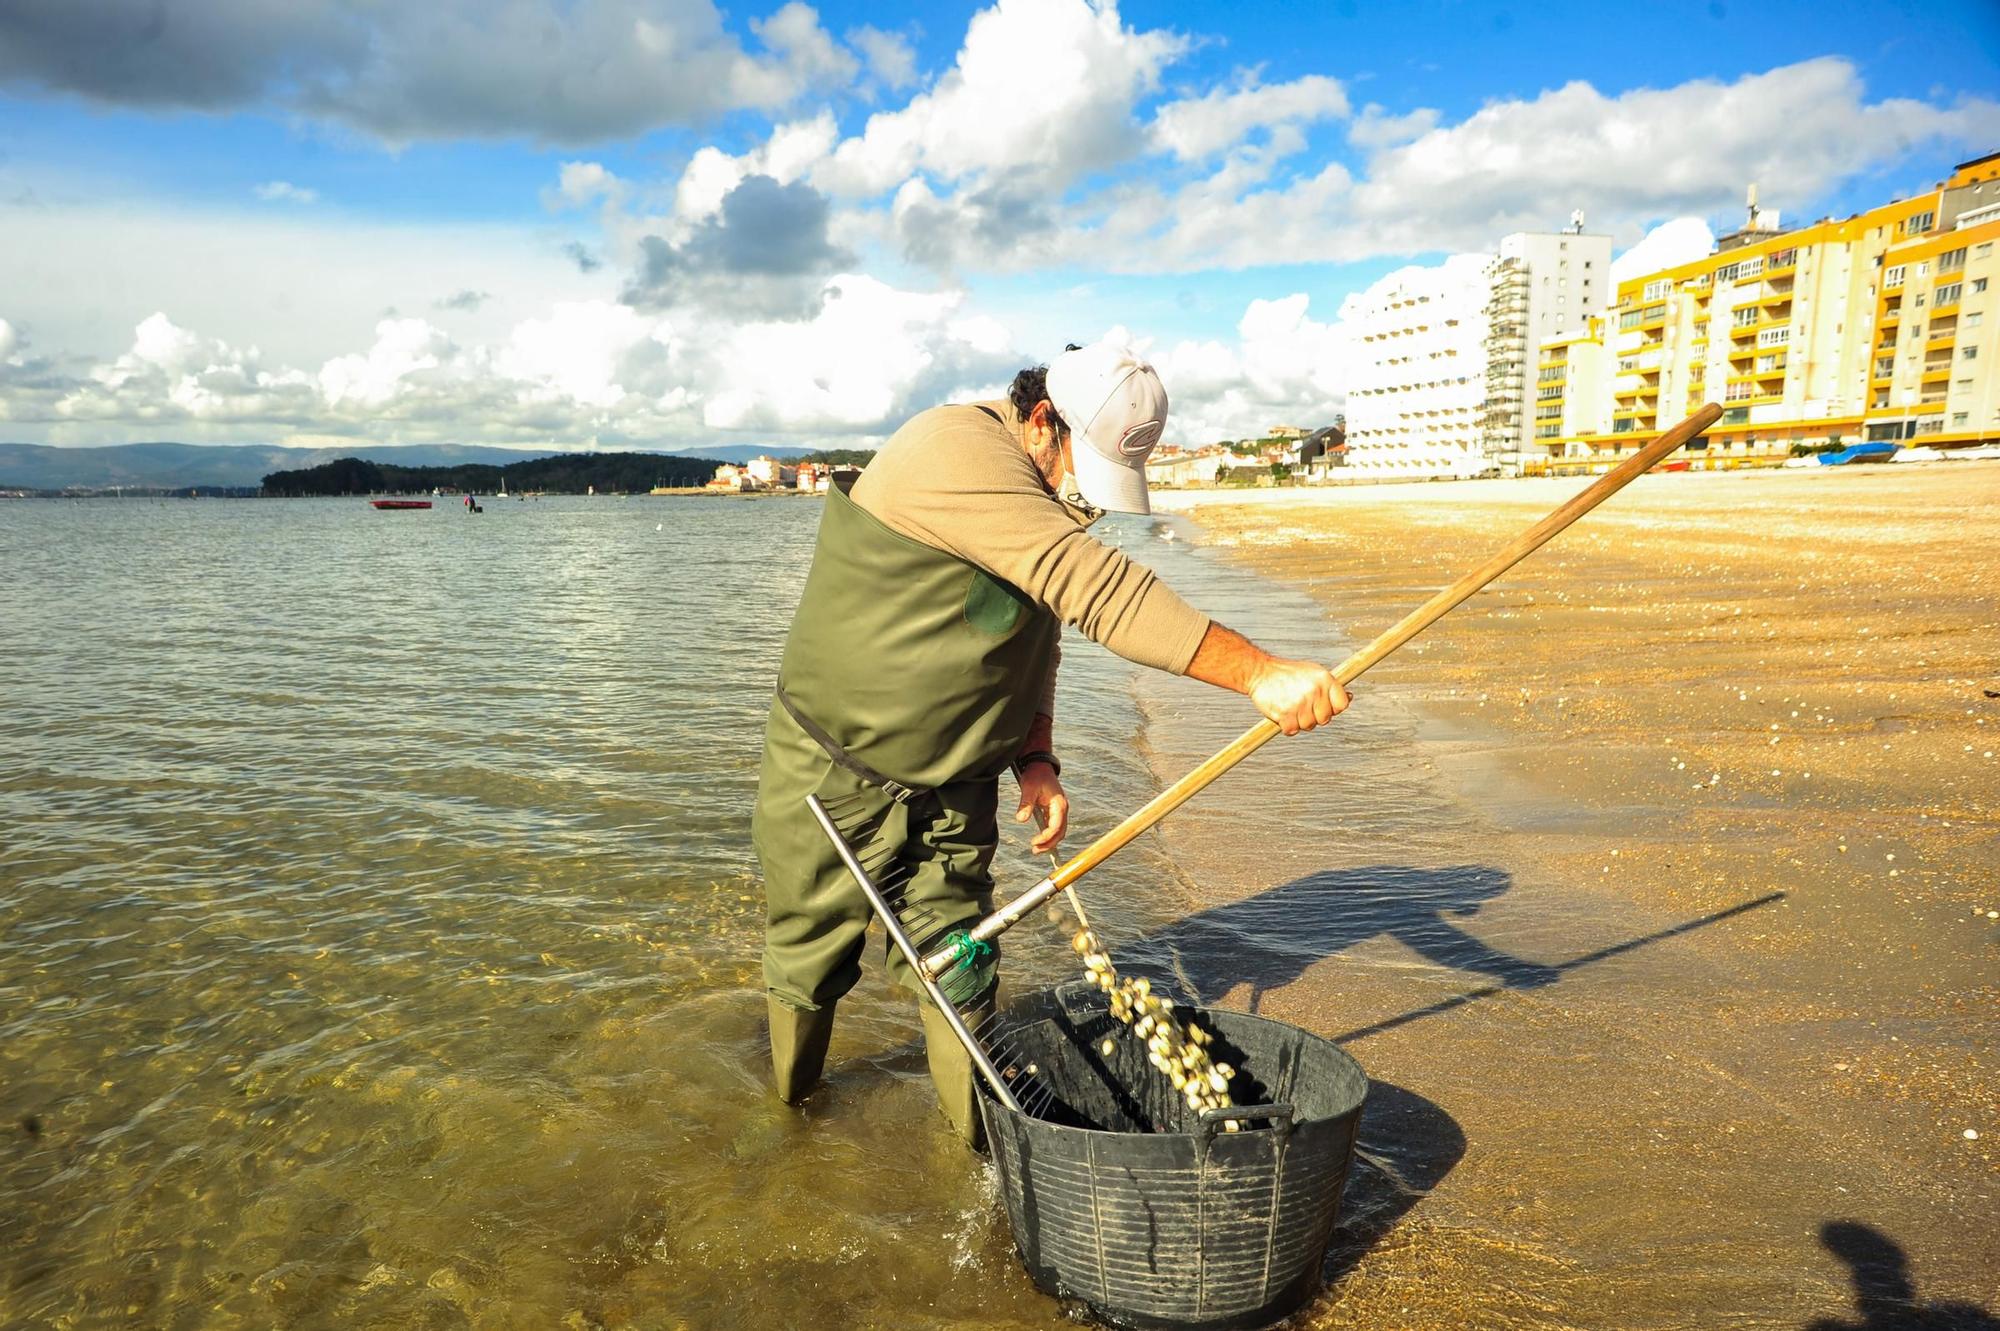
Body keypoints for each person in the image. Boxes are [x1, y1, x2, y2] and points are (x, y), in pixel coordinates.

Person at [752, 340, 1350, 1145]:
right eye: (1083, 468)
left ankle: (979, 1162)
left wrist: (1036, 755)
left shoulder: (1037, 490)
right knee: (809, 957)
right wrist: (1259, 673)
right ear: (1043, 420)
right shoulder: (952, 451)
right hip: (837, 768)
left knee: (962, 963)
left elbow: (1036, 632)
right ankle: (785, 1132)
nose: (1084, 497)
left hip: (957, 781)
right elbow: (1096, 589)